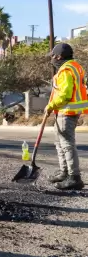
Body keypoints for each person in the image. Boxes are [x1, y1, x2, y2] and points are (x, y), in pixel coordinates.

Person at [46, 43, 87, 190]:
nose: (51, 59)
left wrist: (51, 105)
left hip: (67, 111)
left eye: (52, 56)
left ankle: (74, 177)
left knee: (67, 145)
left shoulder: (66, 70)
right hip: (66, 111)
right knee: (60, 143)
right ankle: (64, 173)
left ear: (58, 56)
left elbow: (65, 95)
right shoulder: (76, 66)